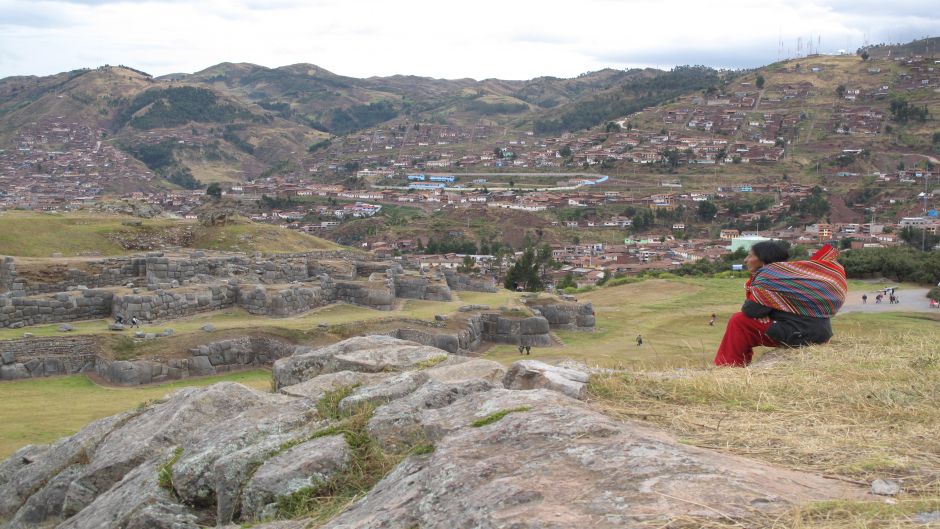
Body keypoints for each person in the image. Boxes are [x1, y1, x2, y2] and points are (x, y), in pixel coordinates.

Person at [714, 242, 846, 367]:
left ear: (763, 259)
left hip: (802, 334)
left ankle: (730, 365)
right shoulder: (789, 275)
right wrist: (763, 310)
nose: (745, 259)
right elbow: (760, 309)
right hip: (819, 332)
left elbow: (751, 310)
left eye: (750, 255)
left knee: (739, 321)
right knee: (742, 319)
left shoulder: (768, 277)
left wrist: (763, 311)